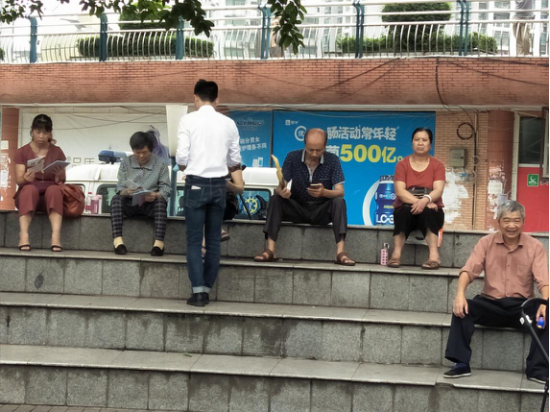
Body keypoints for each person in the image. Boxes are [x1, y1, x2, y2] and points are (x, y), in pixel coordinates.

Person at [444, 200, 548, 383]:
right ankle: (461, 363)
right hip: (490, 304)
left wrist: (545, 302)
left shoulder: (535, 246)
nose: (511, 225)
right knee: (463, 307)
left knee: (547, 313)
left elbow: (543, 280)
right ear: (498, 221)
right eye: (506, 220)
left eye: (516, 220)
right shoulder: (486, 243)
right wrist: (459, 294)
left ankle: (537, 369)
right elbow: (469, 270)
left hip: (522, 308)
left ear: (523, 222)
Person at [176, 79, 242, 307]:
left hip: (196, 184)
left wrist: (188, 167)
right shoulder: (229, 124)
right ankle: (206, 290)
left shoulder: (187, 120)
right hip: (219, 186)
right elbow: (234, 159)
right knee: (213, 240)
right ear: (217, 100)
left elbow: (181, 156)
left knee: (195, 241)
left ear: (195, 97)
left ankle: (197, 293)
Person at [254, 128, 355, 266]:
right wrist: (282, 192)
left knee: (339, 202)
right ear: (304, 144)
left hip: (321, 210)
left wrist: (324, 192)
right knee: (275, 199)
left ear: (325, 146)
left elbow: (340, 192)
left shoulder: (332, 160)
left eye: (318, 150)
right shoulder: (292, 157)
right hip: (297, 207)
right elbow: (280, 187)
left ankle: (340, 252)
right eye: (310, 149)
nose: (314, 154)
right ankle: (270, 249)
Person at [387, 127, 445, 270]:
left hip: (431, 208)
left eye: (424, 140)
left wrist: (426, 200)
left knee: (429, 212)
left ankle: (434, 256)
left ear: (430, 144)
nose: (420, 143)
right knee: (404, 211)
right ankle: (396, 255)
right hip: (407, 207)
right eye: (417, 139)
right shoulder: (402, 164)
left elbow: (438, 190)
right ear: (412, 143)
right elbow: (400, 191)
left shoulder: (438, 165)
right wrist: (420, 203)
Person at [111, 131, 171, 256]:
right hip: (131, 203)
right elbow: (119, 187)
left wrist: (155, 195)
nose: (141, 156)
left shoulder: (161, 164)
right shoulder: (126, 162)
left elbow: (166, 189)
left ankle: (159, 244)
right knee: (116, 199)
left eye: (145, 152)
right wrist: (126, 192)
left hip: (150, 205)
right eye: (137, 153)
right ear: (133, 150)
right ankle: (118, 242)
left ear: (151, 150)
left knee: (161, 202)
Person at [14, 114, 66, 252]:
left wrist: (59, 175)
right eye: (38, 132)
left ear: (50, 133)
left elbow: (61, 180)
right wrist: (25, 179)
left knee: (55, 190)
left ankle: (56, 237)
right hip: (28, 196)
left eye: (45, 132)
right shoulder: (22, 152)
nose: (41, 136)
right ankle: (23, 235)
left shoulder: (57, 151)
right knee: (29, 189)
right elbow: (19, 180)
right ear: (32, 131)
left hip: (50, 196)